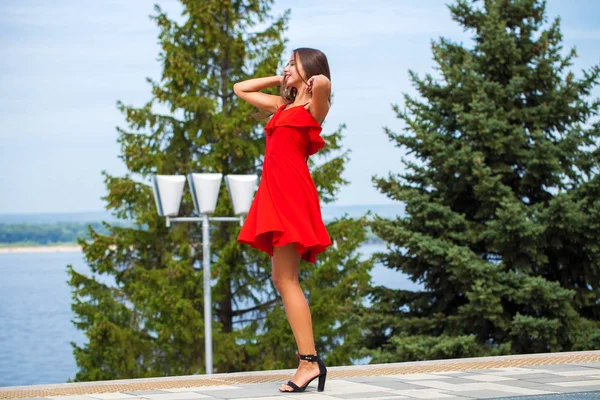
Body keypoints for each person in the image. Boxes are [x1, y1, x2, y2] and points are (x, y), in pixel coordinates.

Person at [233, 48, 332, 393]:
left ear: (309, 70)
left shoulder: (312, 108)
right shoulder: (282, 106)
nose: (287, 68)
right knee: (282, 278)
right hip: (274, 194)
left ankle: (309, 361)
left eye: (293, 63)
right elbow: (240, 88)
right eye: (287, 63)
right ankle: (308, 360)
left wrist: (310, 79)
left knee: (287, 280)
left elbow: (323, 85)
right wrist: (281, 79)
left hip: (291, 196)